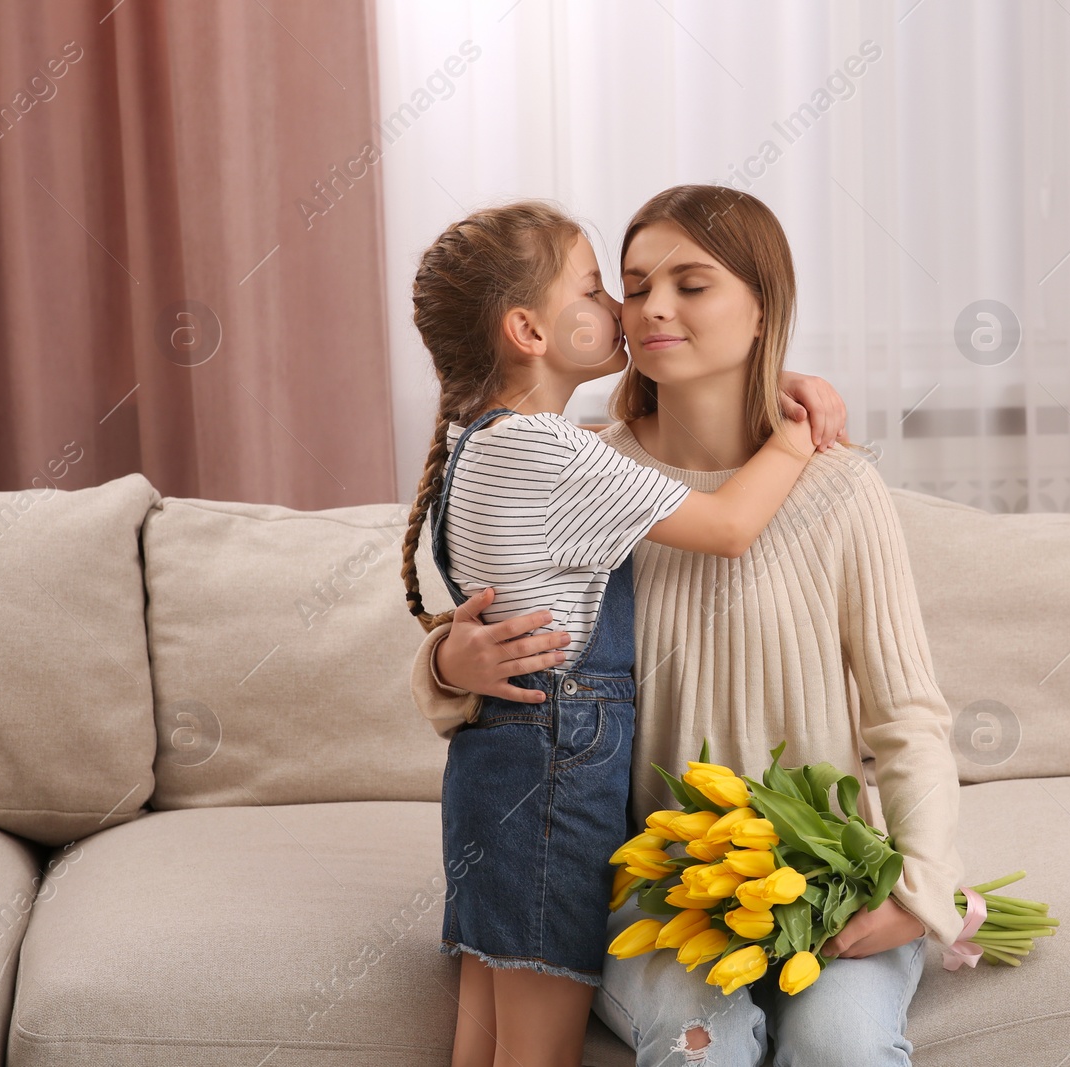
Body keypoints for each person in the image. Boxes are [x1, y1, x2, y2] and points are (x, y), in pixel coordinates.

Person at [412, 185, 965, 1067]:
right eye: (630, 286)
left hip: (827, 874)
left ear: (762, 307)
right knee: (697, 1045)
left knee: (842, 1051)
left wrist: (923, 885)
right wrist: (445, 664)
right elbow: (509, 618)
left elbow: (909, 716)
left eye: (693, 284)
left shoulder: (842, 487)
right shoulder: (595, 470)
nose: (653, 306)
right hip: (659, 889)